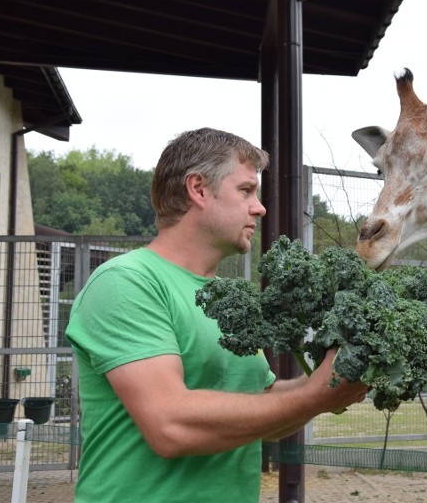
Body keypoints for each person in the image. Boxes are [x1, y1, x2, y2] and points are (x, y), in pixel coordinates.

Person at [64, 127, 368, 502]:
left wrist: (331, 382)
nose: (260, 207)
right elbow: (170, 425)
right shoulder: (126, 283)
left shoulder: (225, 300)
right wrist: (315, 396)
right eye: (245, 190)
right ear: (199, 189)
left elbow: (261, 405)